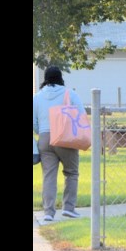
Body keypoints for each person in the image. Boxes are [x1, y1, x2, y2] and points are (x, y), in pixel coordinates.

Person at [33, 66, 83, 224]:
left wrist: (42, 131)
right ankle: (68, 208)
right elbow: (80, 114)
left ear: (45, 78)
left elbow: (33, 122)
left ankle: (48, 212)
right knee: (71, 173)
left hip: (45, 137)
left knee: (49, 175)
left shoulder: (37, 97)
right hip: (65, 136)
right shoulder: (69, 93)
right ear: (60, 78)